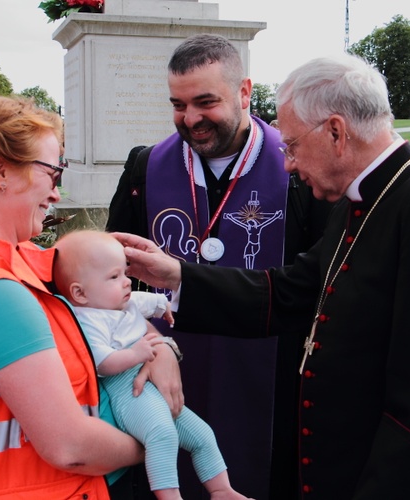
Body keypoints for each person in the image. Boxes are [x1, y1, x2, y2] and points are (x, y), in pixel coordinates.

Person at [116, 53, 410, 499]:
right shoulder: (360, 199)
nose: (286, 163)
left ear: (336, 132)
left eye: (291, 146)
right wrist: (176, 276)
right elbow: (291, 292)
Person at [0, 96, 188, 499]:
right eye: (53, 173)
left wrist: (163, 348)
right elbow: (70, 448)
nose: (56, 193)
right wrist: (160, 439)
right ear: (0, 171)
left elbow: (62, 266)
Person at [105, 34, 329, 500]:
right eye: (178, 105)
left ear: (245, 91)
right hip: (162, 369)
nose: (190, 120)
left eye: (206, 102)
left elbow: (320, 278)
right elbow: (108, 277)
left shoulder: (296, 172)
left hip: (271, 374)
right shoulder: (146, 169)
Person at [54, 230, 249, 500]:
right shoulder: (88, 320)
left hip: (149, 387)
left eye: (124, 273)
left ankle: (221, 490)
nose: (126, 283)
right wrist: (138, 353)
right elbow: (103, 363)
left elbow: (150, 301)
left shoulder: (120, 302)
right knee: (162, 434)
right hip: (127, 389)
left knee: (202, 435)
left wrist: (163, 306)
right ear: (80, 292)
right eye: (114, 277)